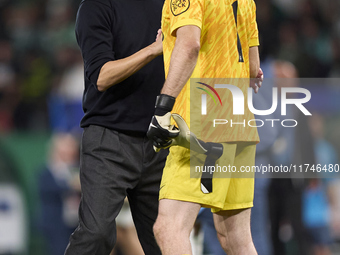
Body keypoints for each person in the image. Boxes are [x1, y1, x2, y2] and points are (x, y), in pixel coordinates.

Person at [147, 0, 262, 254]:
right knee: (236, 238)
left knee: (169, 227)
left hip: (203, 123)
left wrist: (163, 107)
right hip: (239, 121)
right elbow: (254, 69)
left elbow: (189, 45)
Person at [64, 0, 168, 254]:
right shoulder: (96, 7)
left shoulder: (170, 5)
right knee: (96, 234)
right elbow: (102, 76)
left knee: (166, 237)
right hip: (109, 140)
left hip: (160, 138)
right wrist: (154, 50)